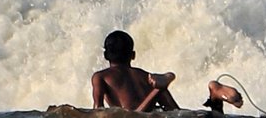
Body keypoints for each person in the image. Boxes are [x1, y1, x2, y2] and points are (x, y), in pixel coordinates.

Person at [91, 30, 243, 113]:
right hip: (155, 108)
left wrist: (158, 89)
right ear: (133, 55)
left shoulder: (100, 77)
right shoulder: (147, 76)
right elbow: (174, 110)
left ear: (105, 56)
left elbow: (98, 110)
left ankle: (158, 90)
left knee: (136, 115)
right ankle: (215, 94)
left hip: (139, 114)